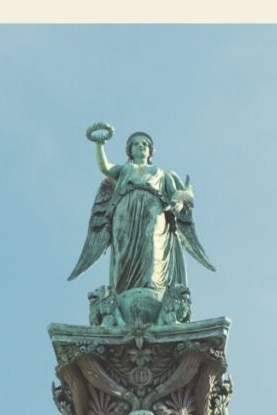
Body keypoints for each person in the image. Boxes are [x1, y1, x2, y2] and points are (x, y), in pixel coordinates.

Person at [68, 128, 216, 298]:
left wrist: (179, 202)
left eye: (144, 144)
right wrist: (99, 144)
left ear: (150, 150)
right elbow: (105, 167)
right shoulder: (124, 169)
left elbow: (180, 197)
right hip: (124, 209)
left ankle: (150, 286)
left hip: (153, 208)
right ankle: (124, 290)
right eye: (136, 144)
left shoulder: (162, 174)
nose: (141, 146)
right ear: (130, 150)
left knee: (150, 242)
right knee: (123, 246)